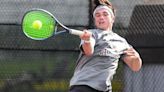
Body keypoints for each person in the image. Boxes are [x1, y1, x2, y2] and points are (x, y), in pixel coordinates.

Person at [69, 0, 142, 92]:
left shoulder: (121, 42)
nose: (101, 17)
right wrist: (87, 40)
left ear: (112, 18)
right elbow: (88, 51)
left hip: (104, 89)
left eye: (105, 14)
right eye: (98, 15)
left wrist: (136, 58)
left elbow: (135, 67)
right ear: (95, 20)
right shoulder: (91, 34)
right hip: (83, 86)